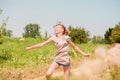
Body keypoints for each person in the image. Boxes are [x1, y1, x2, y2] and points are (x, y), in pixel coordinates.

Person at [26, 22, 90, 80]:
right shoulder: (53, 38)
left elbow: (75, 47)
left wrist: (84, 54)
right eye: (55, 27)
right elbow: (42, 44)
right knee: (47, 75)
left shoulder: (66, 38)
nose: (55, 28)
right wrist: (30, 47)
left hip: (66, 60)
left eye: (57, 27)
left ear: (62, 30)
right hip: (58, 59)